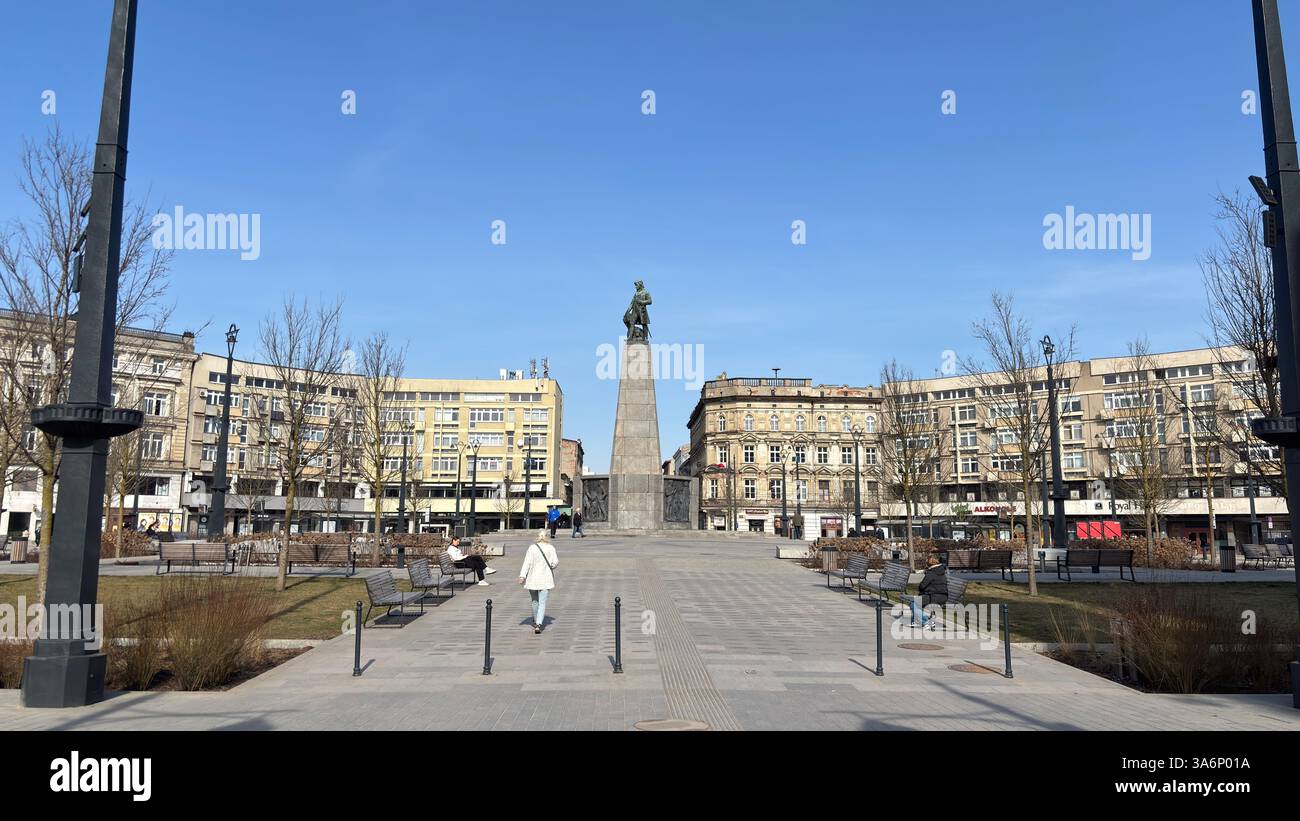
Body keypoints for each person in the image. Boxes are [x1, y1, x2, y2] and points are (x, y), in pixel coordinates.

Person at [518, 530, 559, 634]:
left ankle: (536, 620)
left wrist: (522, 576)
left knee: (535, 601)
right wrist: (551, 565)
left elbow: (526, 563)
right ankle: (539, 624)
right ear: (546, 536)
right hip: (545, 578)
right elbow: (555, 562)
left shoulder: (532, 548)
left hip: (533, 579)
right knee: (542, 602)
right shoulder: (550, 547)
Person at [908, 554, 948, 629]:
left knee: (913, 603)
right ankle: (920, 620)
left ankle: (926, 621)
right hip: (942, 596)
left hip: (934, 597)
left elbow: (922, 586)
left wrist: (923, 591)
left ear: (929, 563)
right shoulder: (941, 570)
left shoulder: (931, 572)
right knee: (918, 601)